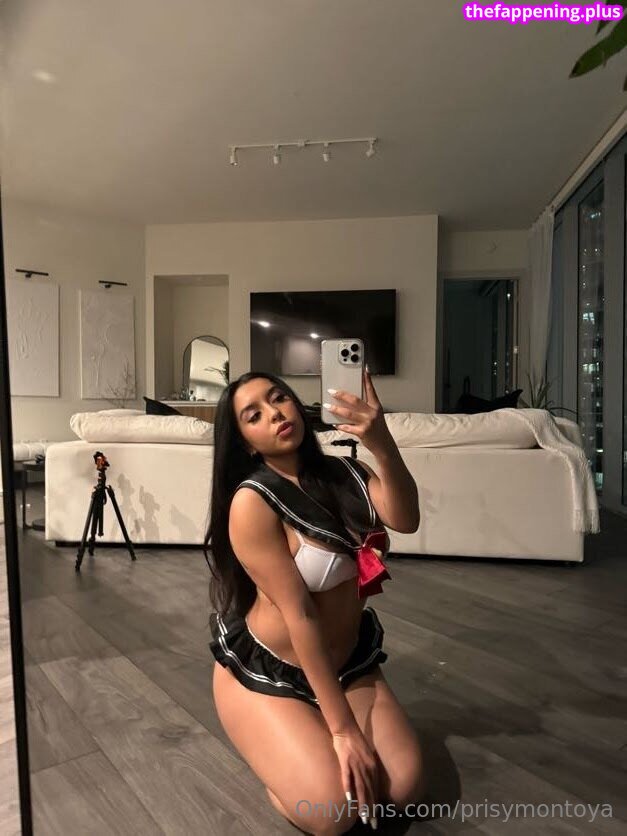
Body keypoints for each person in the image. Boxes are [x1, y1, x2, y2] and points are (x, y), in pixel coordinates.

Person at [204, 368, 426, 834]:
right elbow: (300, 614)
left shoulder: (349, 473)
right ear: (246, 443)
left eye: (278, 397)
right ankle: (283, 756)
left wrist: (382, 443)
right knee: (333, 812)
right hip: (272, 672)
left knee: (404, 789)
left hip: (347, 664)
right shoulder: (253, 502)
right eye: (254, 415)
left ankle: (312, 741)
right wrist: (343, 732)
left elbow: (406, 520)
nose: (274, 413)